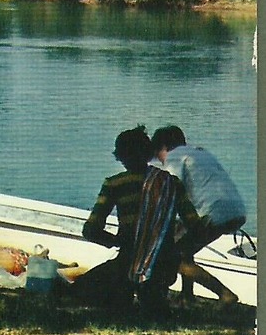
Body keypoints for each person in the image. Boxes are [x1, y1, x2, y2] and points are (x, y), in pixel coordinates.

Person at [74, 125, 200, 313]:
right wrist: (170, 249)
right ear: (149, 153)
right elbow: (194, 225)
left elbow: (90, 230)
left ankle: (127, 295)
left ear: (120, 156)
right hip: (163, 270)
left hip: (126, 265)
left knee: (76, 292)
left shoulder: (115, 184)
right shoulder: (171, 183)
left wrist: (117, 241)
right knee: (149, 301)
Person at [150, 125, 244, 306]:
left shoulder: (174, 156)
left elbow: (171, 188)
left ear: (163, 147)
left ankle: (225, 294)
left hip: (213, 212)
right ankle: (187, 296)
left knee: (173, 256)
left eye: (158, 154)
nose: (160, 161)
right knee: (185, 248)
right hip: (235, 210)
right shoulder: (200, 153)